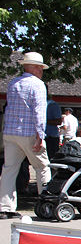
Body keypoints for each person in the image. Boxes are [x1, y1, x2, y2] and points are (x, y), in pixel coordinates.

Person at [0, 51, 52, 219]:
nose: (41, 71)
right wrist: (40, 135)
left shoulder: (13, 83)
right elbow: (39, 112)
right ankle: (47, 203)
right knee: (42, 166)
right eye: (41, 68)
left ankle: (5, 207)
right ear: (36, 68)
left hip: (10, 132)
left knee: (9, 169)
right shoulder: (37, 84)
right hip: (29, 132)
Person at [45, 92, 62, 158]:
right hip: (39, 136)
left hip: (50, 137)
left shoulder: (52, 105)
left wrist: (42, 121)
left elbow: (58, 121)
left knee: (51, 159)